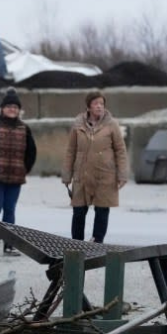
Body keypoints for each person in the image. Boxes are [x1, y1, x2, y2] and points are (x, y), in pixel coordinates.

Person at [62, 89, 128, 243]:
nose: (99, 106)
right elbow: (71, 150)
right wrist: (67, 175)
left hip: (105, 175)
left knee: (102, 210)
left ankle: (97, 242)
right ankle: (76, 244)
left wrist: (122, 174)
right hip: (82, 175)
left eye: (102, 103)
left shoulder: (111, 124)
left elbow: (120, 150)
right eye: (95, 103)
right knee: (78, 211)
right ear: (88, 106)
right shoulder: (78, 124)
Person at [0, 88, 37, 250]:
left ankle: (9, 244)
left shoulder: (24, 128)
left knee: (9, 210)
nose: (12, 109)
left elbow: (31, 152)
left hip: (15, 178)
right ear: (2, 109)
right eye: (9, 106)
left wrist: (24, 169)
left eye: (15, 107)